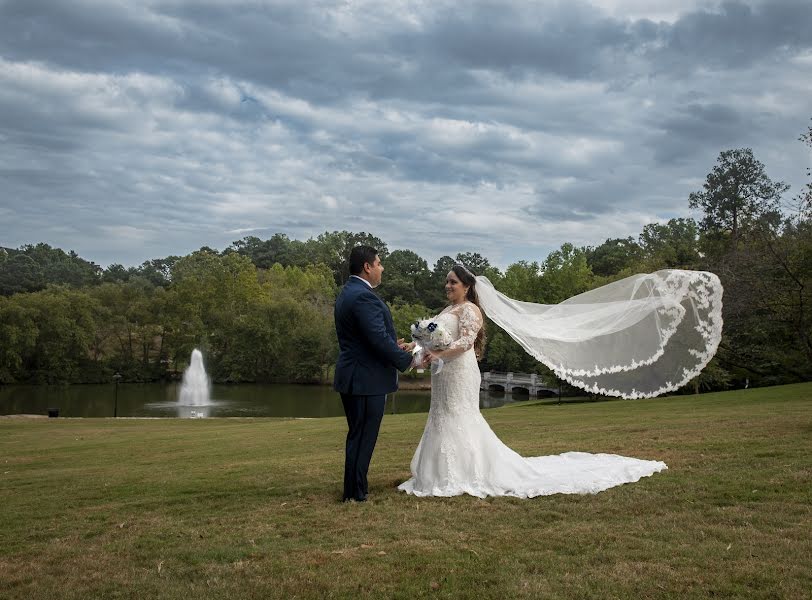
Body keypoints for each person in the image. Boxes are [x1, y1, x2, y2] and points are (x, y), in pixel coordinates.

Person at [398, 264, 668, 498]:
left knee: (459, 416)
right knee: (441, 415)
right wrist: (415, 349)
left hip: (459, 371)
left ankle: (464, 473)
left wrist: (437, 352)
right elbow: (434, 340)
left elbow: (466, 343)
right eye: (447, 281)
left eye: (453, 282)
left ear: (467, 286)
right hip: (444, 372)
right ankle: (434, 475)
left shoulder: (470, 311)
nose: (447, 285)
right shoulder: (449, 308)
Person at [334, 245, 415, 502]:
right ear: (367, 267)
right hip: (365, 380)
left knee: (358, 436)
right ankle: (355, 494)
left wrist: (394, 343)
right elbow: (377, 340)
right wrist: (408, 359)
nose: (382, 268)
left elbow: (368, 339)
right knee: (363, 437)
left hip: (356, 375)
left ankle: (355, 489)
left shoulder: (349, 292)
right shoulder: (364, 297)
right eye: (379, 263)